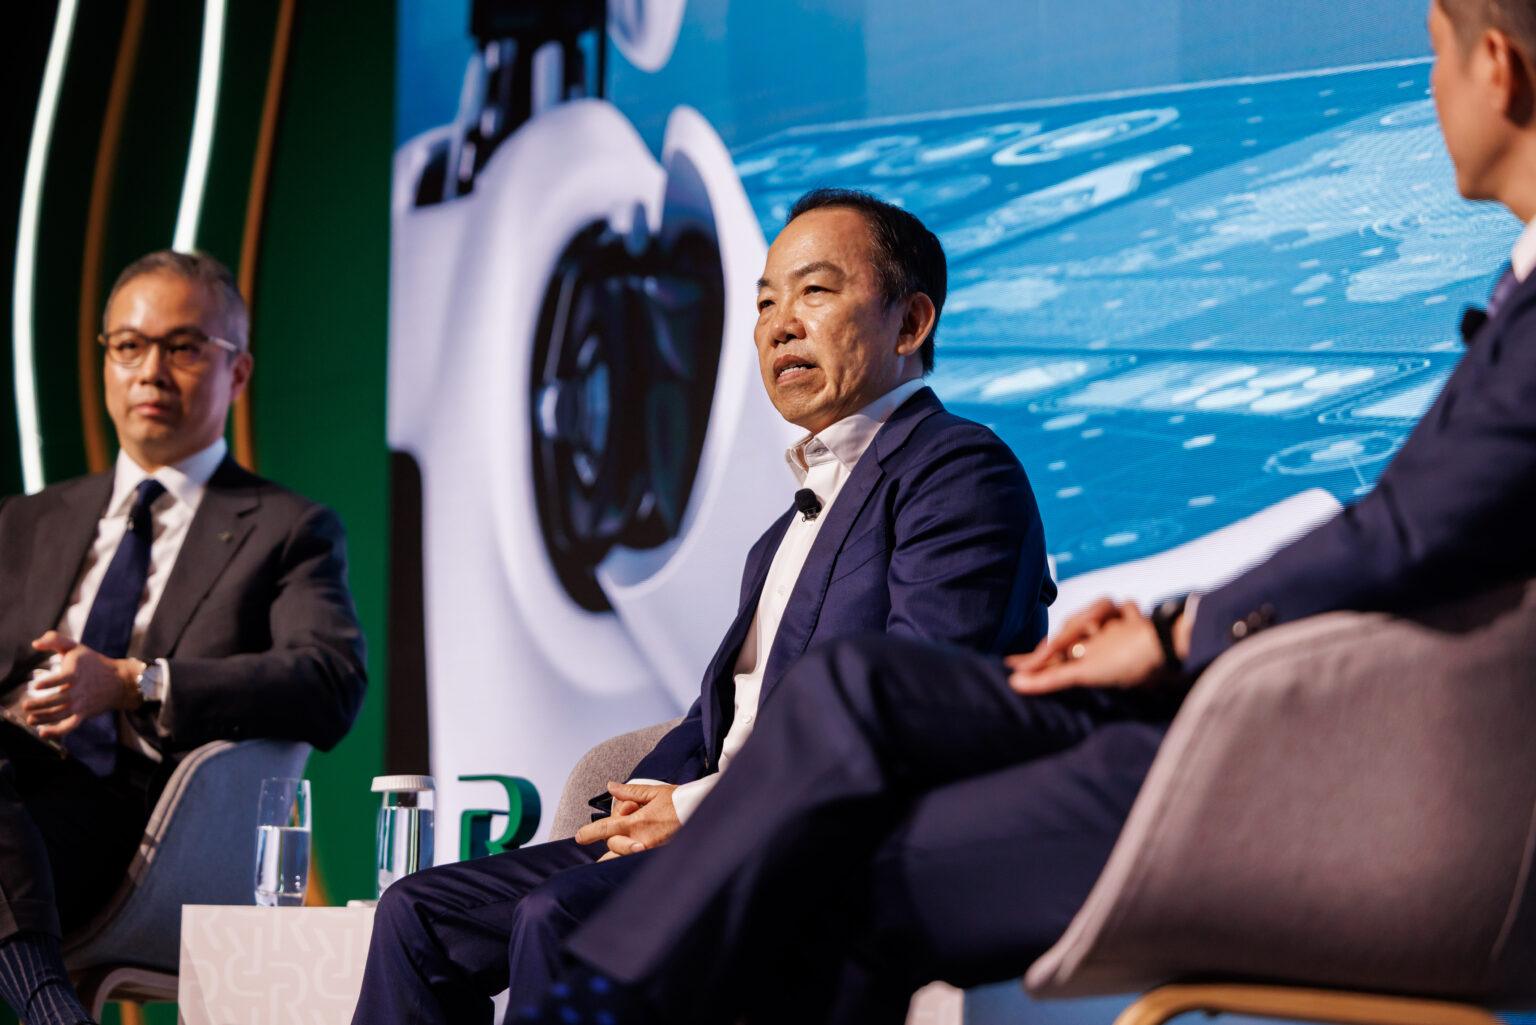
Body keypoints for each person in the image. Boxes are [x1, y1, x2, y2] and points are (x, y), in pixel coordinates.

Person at [514, 2, 1536, 1022]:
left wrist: (1176, 632)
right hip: (1262, 722)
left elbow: (1404, 529)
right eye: (767, 302)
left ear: (1497, 66)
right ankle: (603, 976)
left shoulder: (957, 466)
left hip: (1332, 769)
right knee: (830, 802)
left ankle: (598, 988)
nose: (1432, 91)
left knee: (847, 751)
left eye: (1433, 58)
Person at [350, 188, 1056, 1023]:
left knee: (563, 918)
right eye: (764, 301)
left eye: (815, 292)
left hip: (831, 844)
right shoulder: (782, 529)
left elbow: (914, 702)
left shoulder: (957, 470)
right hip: (722, 830)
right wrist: (650, 791)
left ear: (909, 324)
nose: (778, 324)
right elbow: (719, 719)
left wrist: (692, 807)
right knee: (417, 916)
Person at [0, 251, 367, 1025]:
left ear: (237, 373)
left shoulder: (286, 527)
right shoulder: (30, 519)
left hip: (134, 818)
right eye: (128, 346)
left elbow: (329, 679)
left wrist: (136, 681)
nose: (151, 372)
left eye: (184, 346)